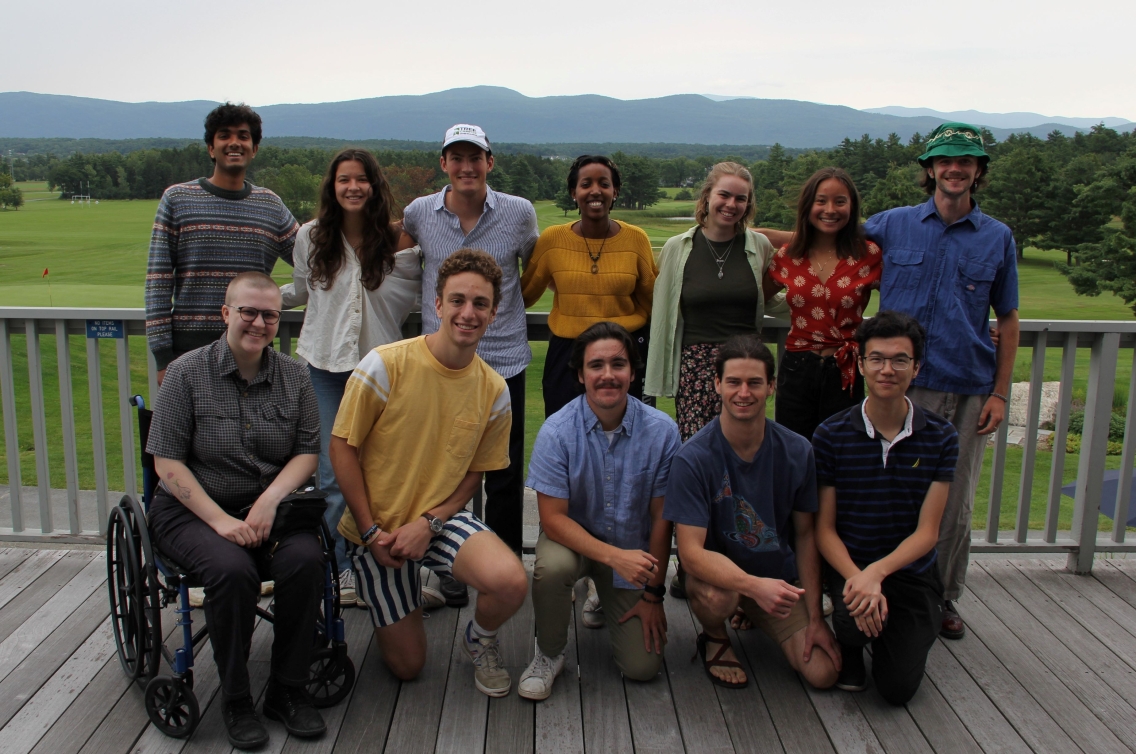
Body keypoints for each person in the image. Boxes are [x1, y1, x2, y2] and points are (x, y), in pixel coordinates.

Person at [329, 249, 529, 697]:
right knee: (408, 666)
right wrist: (370, 529)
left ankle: (478, 638)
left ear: (494, 313)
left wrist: (430, 522)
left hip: (438, 521)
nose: (468, 312)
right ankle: (400, 596)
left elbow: (474, 475)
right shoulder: (386, 364)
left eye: (480, 303)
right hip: (374, 528)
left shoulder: (494, 390)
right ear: (436, 305)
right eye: (457, 300)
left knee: (512, 581)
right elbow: (342, 446)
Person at [145, 272, 325, 749]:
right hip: (192, 509)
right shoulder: (186, 373)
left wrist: (268, 501)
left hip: (269, 507)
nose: (259, 322)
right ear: (226, 314)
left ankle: (287, 689)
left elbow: (308, 452)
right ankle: (236, 697)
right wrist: (221, 521)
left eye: (270, 314)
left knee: (306, 560)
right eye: (248, 311)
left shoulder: (295, 375)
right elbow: (166, 462)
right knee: (231, 569)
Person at [401, 125, 539, 609]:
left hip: (503, 361)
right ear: (443, 163)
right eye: (456, 157)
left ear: (490, 162)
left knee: (502, 471)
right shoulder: (419, 213)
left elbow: (533, 274)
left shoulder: (519, 213)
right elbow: (394, 264)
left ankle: (498, 571)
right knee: (437, 466)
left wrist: (505, 313)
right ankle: (445, 570)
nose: (466, 166)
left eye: (474, 157)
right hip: (443, 364)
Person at [281, 148, 421, 607]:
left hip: (381, 372)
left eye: (361, 179)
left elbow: (424, 291)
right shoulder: (311, 237)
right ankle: (339, 568)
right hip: (324, 367)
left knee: (383, 471)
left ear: (374, 186)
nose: (353, 187)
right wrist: (249, 300)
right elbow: (300, 292)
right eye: (344, 180)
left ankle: (380, 562)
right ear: (332, 186)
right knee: (331, 474)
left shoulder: (398, 242)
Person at [664, 334, 840, 690]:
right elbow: (691, 554)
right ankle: (715, 636)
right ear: (717, 384)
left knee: (823, 673)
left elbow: (806, 535)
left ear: (772, 386)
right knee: (717, 597)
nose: (743, 393)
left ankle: (755, 612)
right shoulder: (693, 458)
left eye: (754, 383)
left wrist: (816, 617)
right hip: (720, 579)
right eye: (733, 382)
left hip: (777, 579)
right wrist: (752, 587)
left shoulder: (798, 451)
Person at [519, 322, 681, 700]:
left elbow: (662, 518)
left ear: (633, 372)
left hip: (630, 549)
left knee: (642, 669)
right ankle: (549, 653)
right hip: (575, 542)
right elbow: (553, 520)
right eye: (596, 366)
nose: (608, 375)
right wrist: (615, 558)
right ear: (580, 374)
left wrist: (654, 596)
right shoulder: (556, 431)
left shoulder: (662, 431)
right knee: (551, 567)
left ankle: (602, 597)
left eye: (618, 364)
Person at [813, 311, 958, 704]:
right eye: (876, 358)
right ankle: (852, 646)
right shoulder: (831, 434)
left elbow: (928, 532)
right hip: (851, 566)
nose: (886, 369)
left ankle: (892, 630)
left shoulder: (941, 437)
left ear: (916, 368)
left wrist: (877, 575)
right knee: (850, 620)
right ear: (860, 364)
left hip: (909, 573)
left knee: (896, 690)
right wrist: (859, 577)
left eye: (899, 360)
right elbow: (824, 530)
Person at [146, 102, 298, 380]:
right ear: (210, 147)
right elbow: (158, 282)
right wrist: (163, 356)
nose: (234, 143)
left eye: (243, 136)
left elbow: (312, 259)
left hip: (253, 347)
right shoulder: (177, 199)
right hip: (188, 353)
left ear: (254, 148)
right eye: (224, 135)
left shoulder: (270, 205)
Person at [521, 155, 657, 416]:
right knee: (565, 435)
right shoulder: (552, 240)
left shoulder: (636, 239)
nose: (595, 191)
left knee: (625, 436)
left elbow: (654, 301)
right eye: (586, 184)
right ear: (574, 192)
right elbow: (524, 294)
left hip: (624, 350)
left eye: (604, 184)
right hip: (568, 355)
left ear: (615, 191)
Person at [766, 167, 882, 440]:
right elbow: (755, 297)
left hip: (846, 369)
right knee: (794, 453)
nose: (830, 209)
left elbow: (904, 299)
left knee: (841, 458)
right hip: (797, 369)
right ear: (808, 205)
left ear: (851, 207)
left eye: (840, 201)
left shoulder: (869, 255)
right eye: (821, 201)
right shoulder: (788, 256)